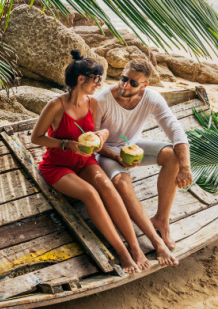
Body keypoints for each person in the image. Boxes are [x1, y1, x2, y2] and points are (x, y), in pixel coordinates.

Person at [31, 50, 146, 274]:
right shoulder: (55, 106)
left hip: (84, 161)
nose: (99, 84)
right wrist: (66, 144)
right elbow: (36, 137)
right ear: (81, 79)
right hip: (58, 166)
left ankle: (135, 246)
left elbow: (92, 135)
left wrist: (102, 134)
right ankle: (122, 251)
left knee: (106, 186)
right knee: (91, 194)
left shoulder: (92, 103)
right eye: (96, 79)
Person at [95, 58, 192, 267]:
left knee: (173, 155)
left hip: (134, 145)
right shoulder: (102, 100)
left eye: (133, 83)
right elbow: (93, 140)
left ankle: (161, 220)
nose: (125, 85)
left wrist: (185, 167)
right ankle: (156, 242)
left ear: (145, 85)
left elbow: (175, 129)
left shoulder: (152, 98)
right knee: (122, 182)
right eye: (123, 79)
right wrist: (115, 157)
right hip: (106, 151)